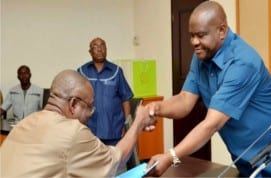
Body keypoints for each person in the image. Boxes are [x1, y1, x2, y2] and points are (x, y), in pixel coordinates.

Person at [145, 1, 271, 177]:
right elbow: (185, 99)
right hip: (248, 162)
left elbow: (212, 124)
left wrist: (170, 156)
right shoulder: (202, 55)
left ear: (222, 31)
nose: (194, 42)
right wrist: (156, 109)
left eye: (201, 35)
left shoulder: (242, 62)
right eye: (191, 35)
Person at [0, 69, 156, 177]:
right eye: (89, 108)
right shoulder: (73, 132)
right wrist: (139, 122)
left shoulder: (23, 124)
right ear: (73, 104)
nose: (90, 115)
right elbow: (118, 158)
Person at [77, 37, 133, 146]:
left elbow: (125, 99)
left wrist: (126, 125)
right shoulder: (82, 71)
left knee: (114, 161)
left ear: (106, 49)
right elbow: (76, 99)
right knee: (92, 161)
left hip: (113, 128)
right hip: (89, 129)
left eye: (102, 46)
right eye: (95, 46)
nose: (99, 49)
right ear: (90, 51)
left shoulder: (116, 71)